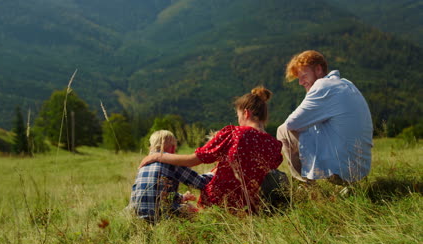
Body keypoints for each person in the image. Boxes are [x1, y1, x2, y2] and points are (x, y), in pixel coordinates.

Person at [140, 86, 283, 213]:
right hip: (249, 209)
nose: (238, 120)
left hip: (217, 203)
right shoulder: (275, 147)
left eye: (238, 116)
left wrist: (158, 156)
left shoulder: (235, 133)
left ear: (246, 113)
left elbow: (192, 160)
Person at [277, 50, 373, 185]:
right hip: (360, 169)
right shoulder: (346, 83)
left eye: (304, 76)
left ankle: (306, 185)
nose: (300, 82)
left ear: (318, 69)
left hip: (343, 170)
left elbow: (291, 124)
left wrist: (309, 93)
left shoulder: (322, 86)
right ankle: (349, 185)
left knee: (283, 131)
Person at [129, 130, 213, 223]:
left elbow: (158, 193)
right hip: (162, 216)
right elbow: (199, 183)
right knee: (190, 208)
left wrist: (183, 197)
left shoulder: (145, 163)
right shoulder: (172, 161)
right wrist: (214, 173)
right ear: (173, 147)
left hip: (137, 215)